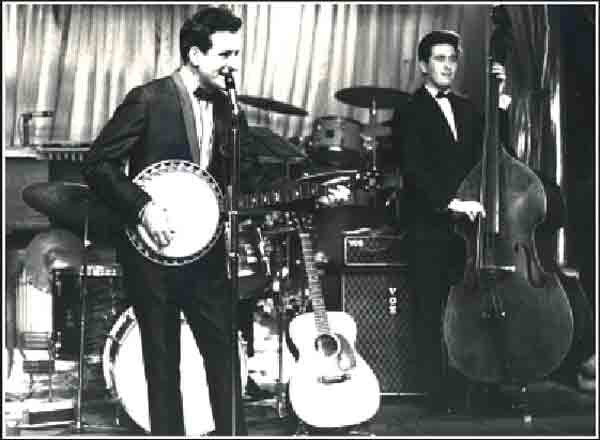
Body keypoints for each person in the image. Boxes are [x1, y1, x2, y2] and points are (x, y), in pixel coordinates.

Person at [82, 7, 247, 435]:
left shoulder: (229, 107)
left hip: (206, 252)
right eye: (225, 55)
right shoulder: (149, 99)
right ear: (194, 53)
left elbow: (232, 176)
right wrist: (143, 207)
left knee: (225, 356)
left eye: (236, 55)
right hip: (152, 251)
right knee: (161, 361)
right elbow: (98, 164)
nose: (232, 66)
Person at [391, 30, 510, 414]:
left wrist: (502, 108)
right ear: (423, 66)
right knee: (430, 312)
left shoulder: (467, 108)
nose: (447, 66)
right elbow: (414, 171)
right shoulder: (408, 111)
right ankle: (437, 398)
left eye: (452, 59)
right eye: (439, 59)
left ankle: (475, 390)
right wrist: (450, 202)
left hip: (466, 232)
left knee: (469, 312)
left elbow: (491, 153)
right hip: (429, 227)